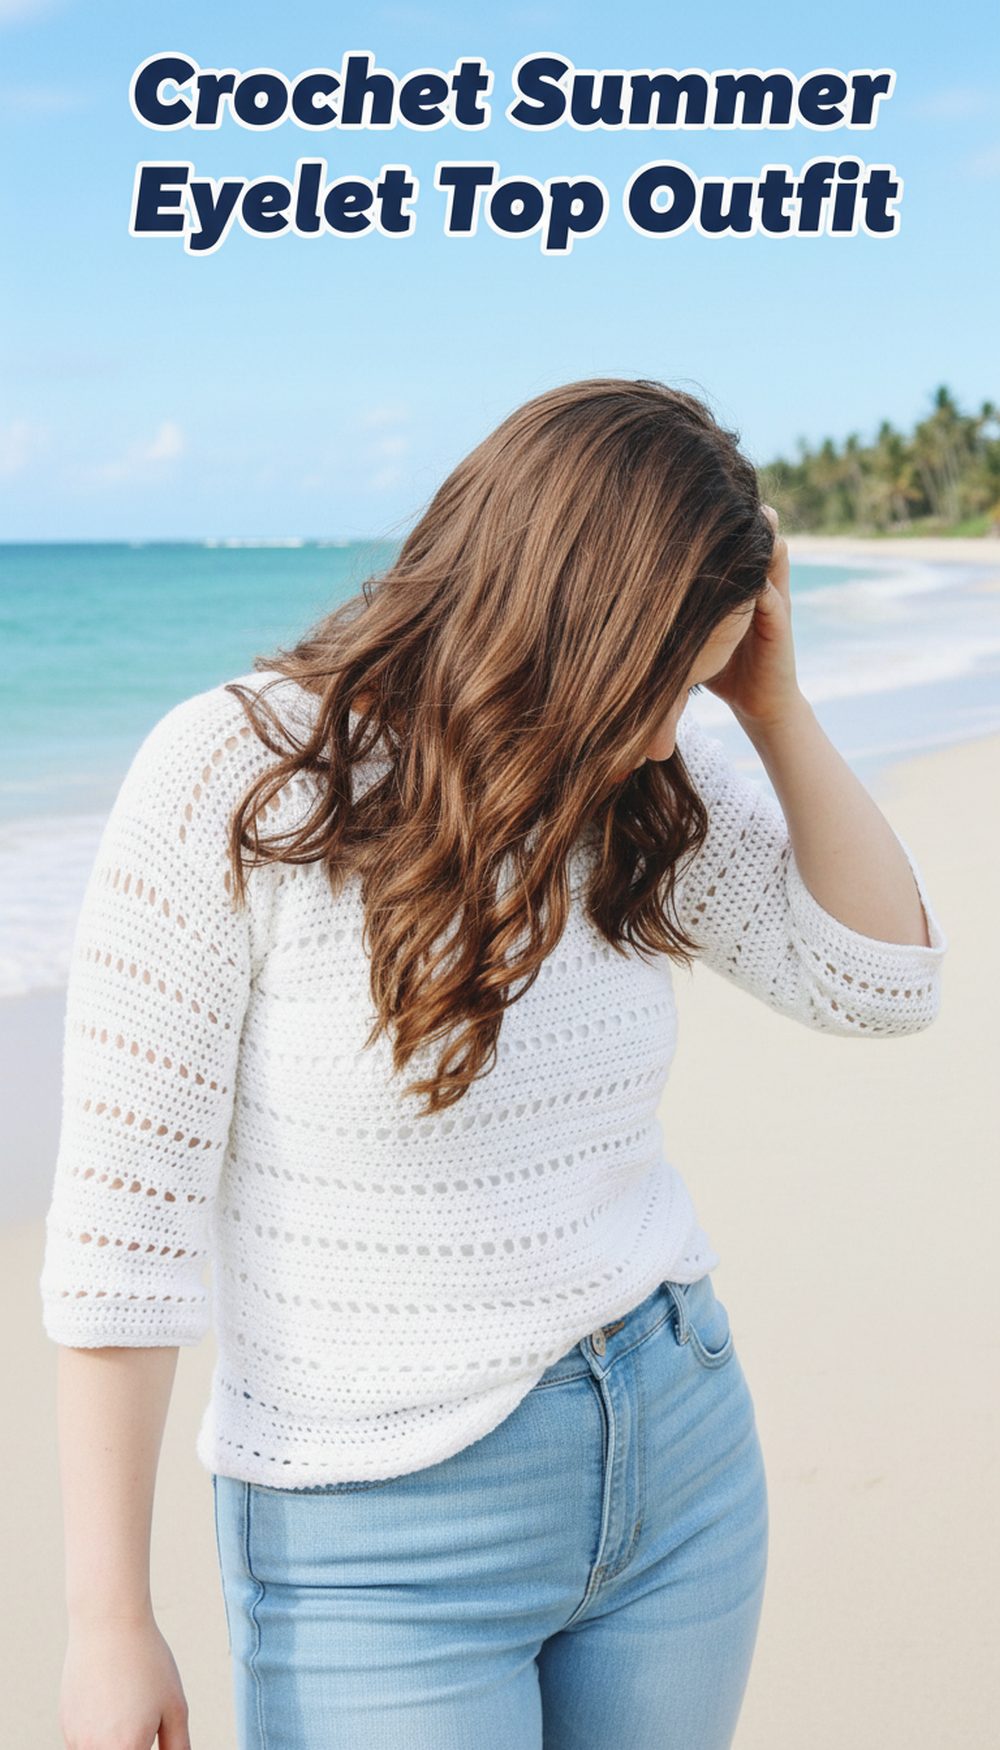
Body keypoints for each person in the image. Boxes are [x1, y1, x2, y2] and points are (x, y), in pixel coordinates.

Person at [39, 378, 948, 1750]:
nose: (667, 723)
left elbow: (883, 983)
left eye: (698, 680)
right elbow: (124, 1232)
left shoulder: (639, 777)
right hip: (375, 1544)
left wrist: (770, 708)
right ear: (569, 619)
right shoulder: (235, 779)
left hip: (676, 1452)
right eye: (660, 680)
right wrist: (109, 1618)